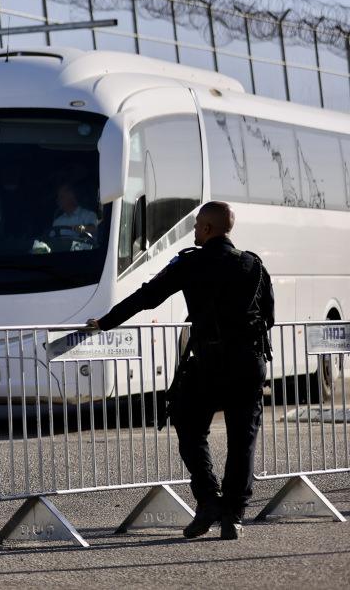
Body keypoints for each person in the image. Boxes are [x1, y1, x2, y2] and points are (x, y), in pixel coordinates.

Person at [87, 201, 272, 541]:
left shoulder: (190, 263)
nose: (194, 230)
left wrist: (105, 322)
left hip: (210, 362)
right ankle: (232, 516)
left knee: (188, 424)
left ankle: (208, 498)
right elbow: (268, 315)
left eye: (197, 225)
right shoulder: (253, 264)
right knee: (242, 440)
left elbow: (147, 297)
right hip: (249, 362)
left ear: (208, 228)